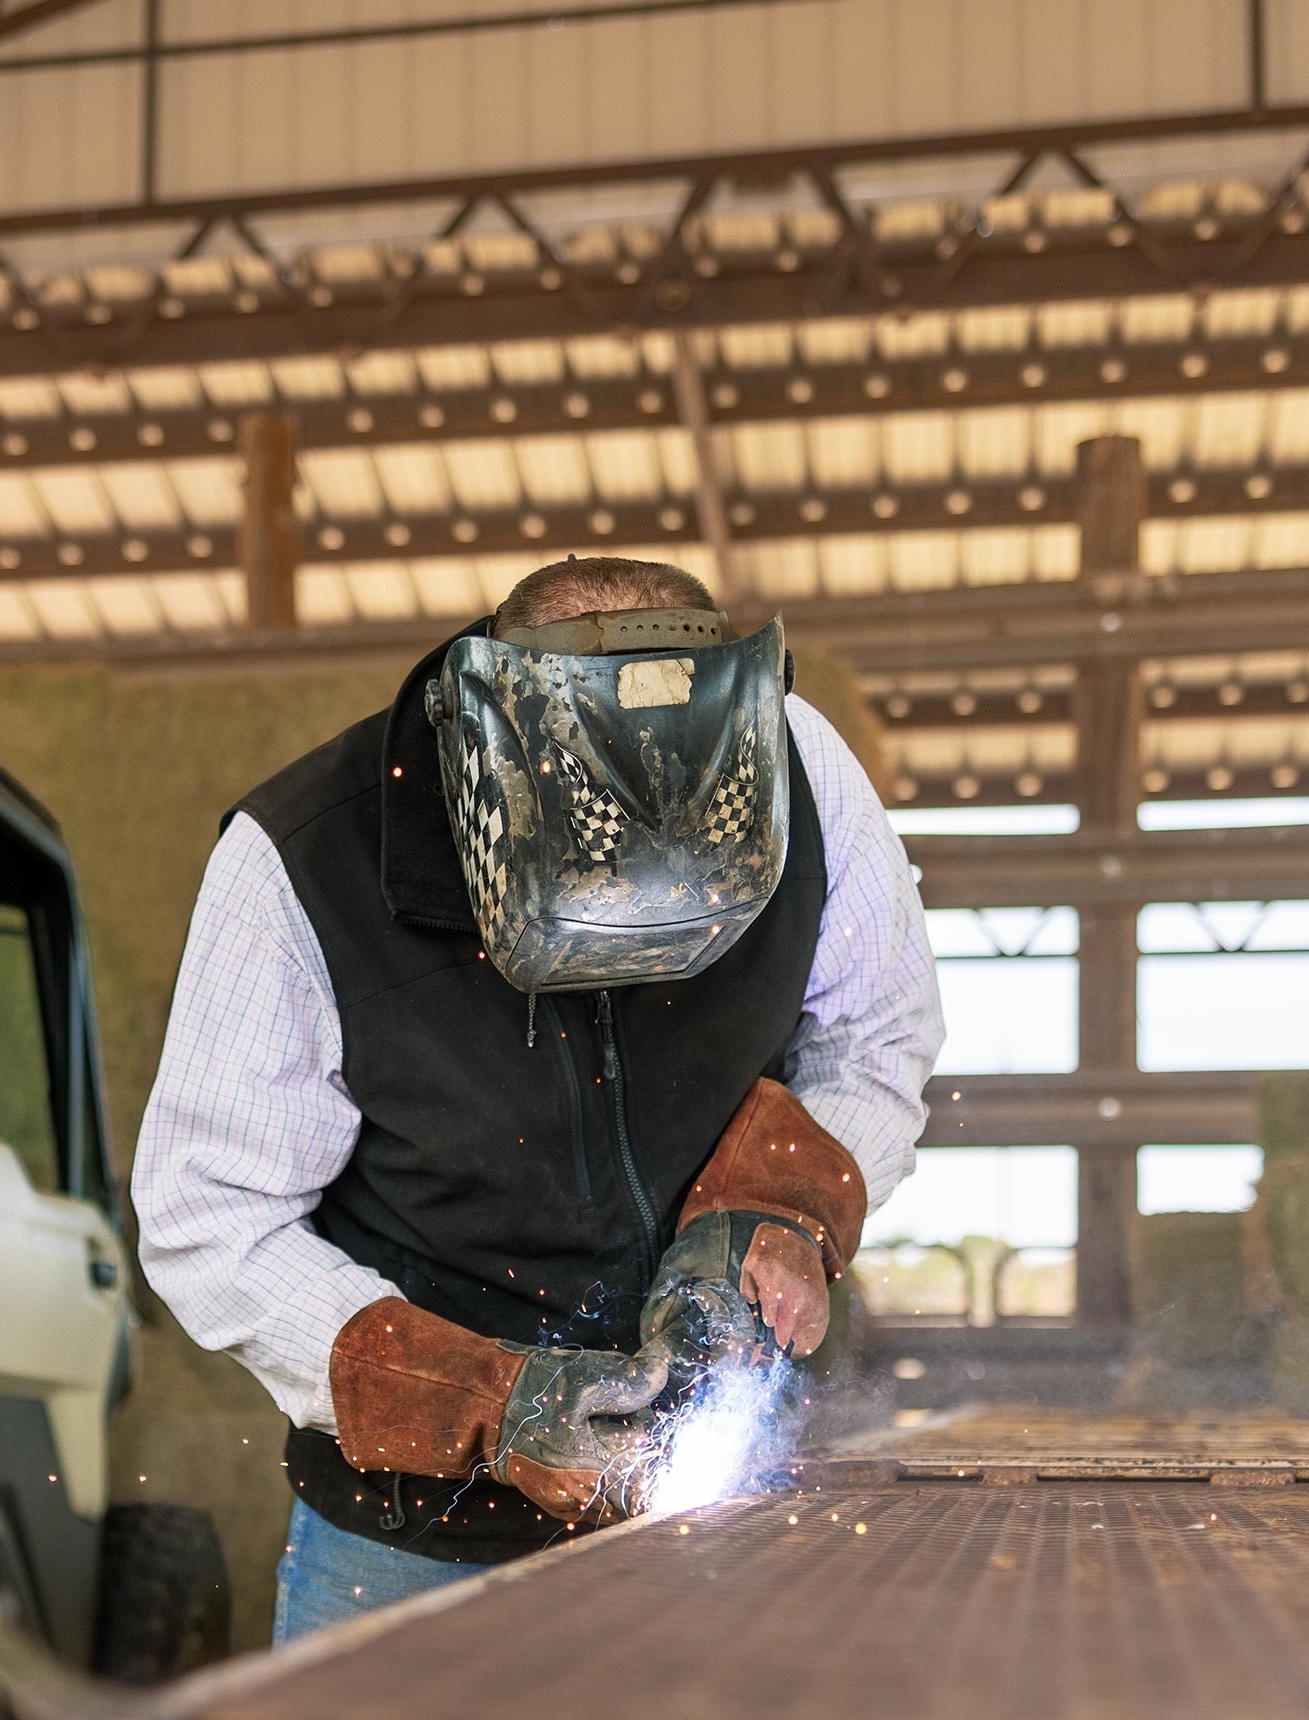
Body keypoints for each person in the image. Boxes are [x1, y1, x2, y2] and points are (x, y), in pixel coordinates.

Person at [135, 558, 943, 1641]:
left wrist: (769, 1212)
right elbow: (207, 1216)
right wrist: (483, 1399)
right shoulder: (299, 861)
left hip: (724, 1519)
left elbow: (875, 1031)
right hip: (409, 1547)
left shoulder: (803, 771)